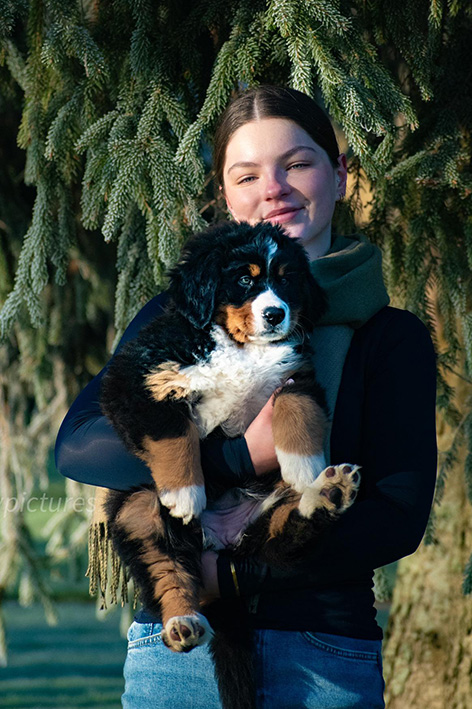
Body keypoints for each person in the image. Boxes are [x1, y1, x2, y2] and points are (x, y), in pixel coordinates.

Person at [55, 85, 437, 709]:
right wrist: (238, 456)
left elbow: (397, 516)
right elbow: (78, 447)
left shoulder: (389, 338)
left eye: (298, 164)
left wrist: (228, 575)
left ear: (341, 175)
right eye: (248, 174)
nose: (274, 189)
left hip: (322, 653)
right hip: (176, 654)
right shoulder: (184, 312)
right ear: (226, 196)